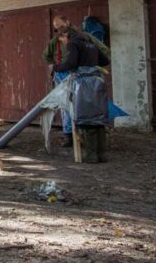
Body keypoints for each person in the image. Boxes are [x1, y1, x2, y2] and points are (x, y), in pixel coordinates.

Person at [43, 15, 110, 147]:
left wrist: (90, 65)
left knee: (83, 107)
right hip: (64, 75)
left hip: (81, 75)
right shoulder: (56, 40)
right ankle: (69, 136)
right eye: (56, 29)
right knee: (66, 107)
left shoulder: (84, 38)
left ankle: (83, 137)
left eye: (61, 26)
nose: (60, 31)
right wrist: (54, 67)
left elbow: (104, 52)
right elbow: (46, 56)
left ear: (68, 22)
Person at [53, 27, 111, 163]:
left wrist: (56, 67)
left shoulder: (73, 44)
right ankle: (101, 154)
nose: (63, 43)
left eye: (62, 39)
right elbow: (105, 61)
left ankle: (90, 155)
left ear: (66, 36)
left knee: (86, 119)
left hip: (83, 84)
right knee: (98, 119)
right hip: (97, 81)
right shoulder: (91, 44)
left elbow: (71, 63)